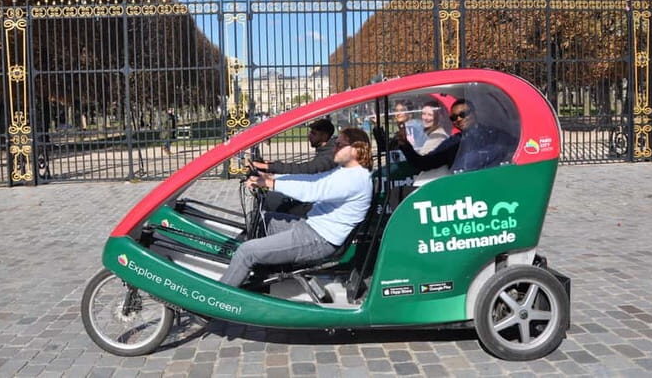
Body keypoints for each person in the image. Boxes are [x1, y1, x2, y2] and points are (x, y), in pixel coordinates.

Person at [220, 127, 373, 287]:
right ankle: (252, 272)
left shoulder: (355, 179)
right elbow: (312, 179)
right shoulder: (346, 171)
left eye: (340, 145)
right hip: (310, 227)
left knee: (246, 252)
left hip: (319, 239)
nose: (335, 148)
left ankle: (220, 296)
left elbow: (312, 190)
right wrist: (272, 176)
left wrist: (270, 183)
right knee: (261, 220)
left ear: (356, 150)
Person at [397, 99, 516, 176]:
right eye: (454, 118)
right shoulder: (453, 143)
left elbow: (515, 150)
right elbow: (424, 163)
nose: (459, 119)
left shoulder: (493, 135)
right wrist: (405, 146)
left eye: (463, 114)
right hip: (463, 193)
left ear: (474, 113)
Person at [252, 118, 336, 215]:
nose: (309, 135)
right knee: (274, 199)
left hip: (318, 205)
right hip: (315, 197)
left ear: (324, 136)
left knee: (273, 206)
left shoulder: (330, 155)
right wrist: (272, 169)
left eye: (313, 133)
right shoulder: (325, 150)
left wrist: (270, 167)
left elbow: (306, 169)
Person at [412, 100, 450, 185]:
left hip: (433, 181)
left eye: (430, 115)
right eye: (423, 114)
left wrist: (410, 146)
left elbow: (422, 161)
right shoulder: (429, 134)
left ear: (438, 117)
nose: (425, 118)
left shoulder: (438, 136)